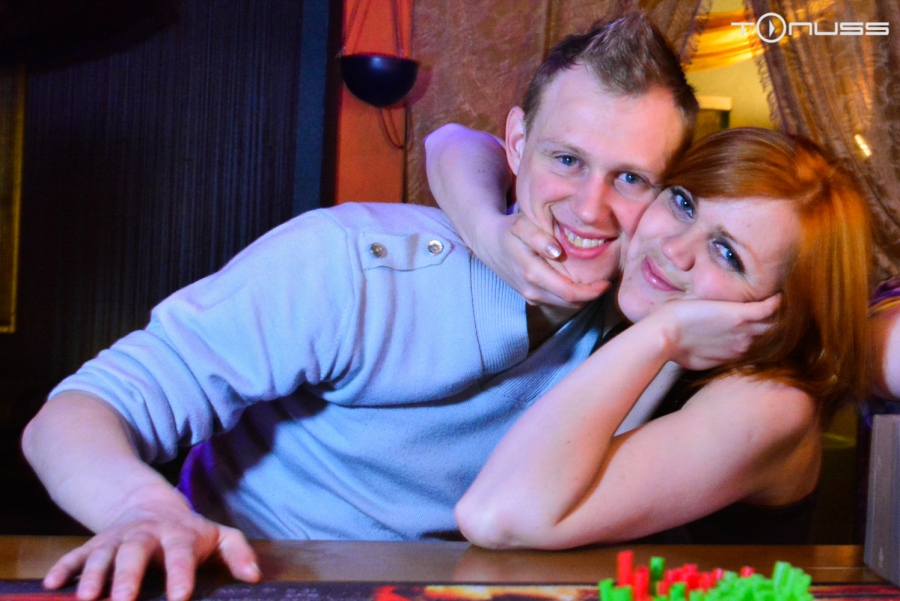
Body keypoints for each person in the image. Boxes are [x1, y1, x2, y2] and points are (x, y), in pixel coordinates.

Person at [22, 13, 771, 601]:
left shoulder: (657, 319)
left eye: (632, 179)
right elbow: (78, 411)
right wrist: (140, 509)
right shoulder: (350, 263)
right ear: (516, 144)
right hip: (244, 577)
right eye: (566, 159)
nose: (590, 208)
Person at [441, 126, 872, 548]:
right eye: (684, 204)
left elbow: (494, 515)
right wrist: (487, 228)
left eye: (727, 254)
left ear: (784, 310)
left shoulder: (770, 405)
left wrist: (661, 334)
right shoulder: (645, 296)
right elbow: (454, 142)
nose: (673, 250)